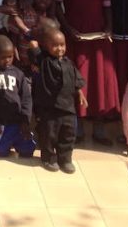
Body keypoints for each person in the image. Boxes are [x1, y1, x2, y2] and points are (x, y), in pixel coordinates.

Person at [56, 0, 120, 145]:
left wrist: (109, 28)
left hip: (98, 34)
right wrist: (68, 29)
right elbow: (59, 5)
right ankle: (78, 126)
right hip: (75, 34)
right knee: (77, 78)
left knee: (99, 79)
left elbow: (107, 4)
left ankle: (99, 126)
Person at [29, 29, 87, 174]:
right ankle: (48, 158)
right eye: (55, 45)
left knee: (68, 134)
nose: (60, 48)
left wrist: (80, 93)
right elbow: (36, 54)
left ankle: (65, 159)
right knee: (49, 135)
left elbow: (76, 81)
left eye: (62, 45)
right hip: (50, 108)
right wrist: (34, 46)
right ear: (46, 46)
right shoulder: (44, 61)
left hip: (68, 107)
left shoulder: (69, 63)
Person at [0, 35, 35, 158]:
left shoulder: (18, 74)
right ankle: (4, 142)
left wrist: (25, 120)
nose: (7, 60)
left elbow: (26, 98)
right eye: (3, 57)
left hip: (18, 122)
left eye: (10, 57)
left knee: (28, 151)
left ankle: (15, 141)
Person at [8, 0, 55, 70]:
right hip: (22, 63)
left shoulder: (49, 19)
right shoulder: (23, 13)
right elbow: (13, 38)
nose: (44, 0)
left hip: (41, 66)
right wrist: (16, 58)